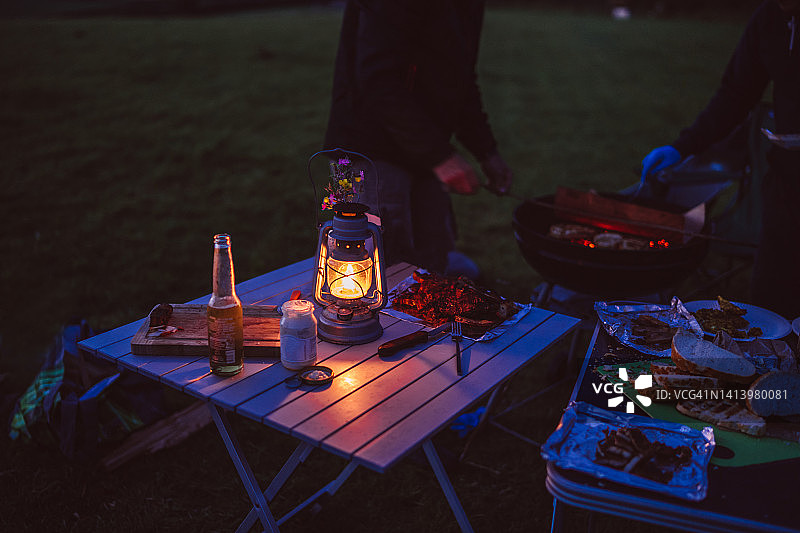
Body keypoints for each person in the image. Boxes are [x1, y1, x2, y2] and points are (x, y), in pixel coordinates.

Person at [323, 0, 513, 277]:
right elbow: (378, 79)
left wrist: (486, 151)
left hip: (425, 146)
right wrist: (439, 156)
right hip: (371, 146)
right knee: (378, 267)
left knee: (434, 258)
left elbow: (459, 76)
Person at [640, 0, 800, 319]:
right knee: (770, 309)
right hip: (787, 182)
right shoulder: (769, 19)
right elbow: (736, 94)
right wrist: (682, 147)